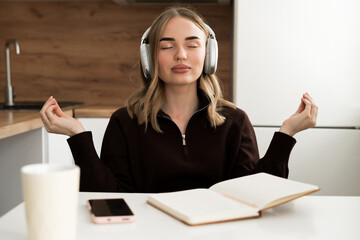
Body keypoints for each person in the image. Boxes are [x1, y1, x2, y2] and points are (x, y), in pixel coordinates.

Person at [40, 7, 318, 193]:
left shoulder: (235, 121)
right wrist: (78, 136)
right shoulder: (124, 122)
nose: (181, 54)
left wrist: (287, 133)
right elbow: (108, 199)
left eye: (192, 44)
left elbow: (255, 196)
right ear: (150, 59)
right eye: (167, 45)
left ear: (208, 56)